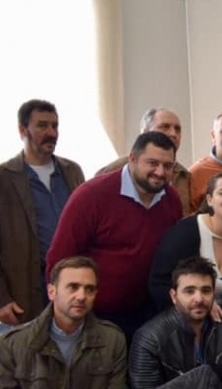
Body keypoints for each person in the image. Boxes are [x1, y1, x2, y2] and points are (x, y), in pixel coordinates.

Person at [46, 132, 182, 341]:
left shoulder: (171, 200)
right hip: (94, 316)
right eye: (152, 163)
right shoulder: (91, 195)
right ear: (133, 159)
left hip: (147, 315)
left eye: (168, 166)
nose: (160, 172)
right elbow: (60, 258)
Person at [0, 256, 127, 389]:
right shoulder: (13, 344)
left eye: (89, 289)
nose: (81, 296)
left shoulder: (112, 340)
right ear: (52, 292)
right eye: (73, 287)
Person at [130, 257, 222, 389]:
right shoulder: (149, 338)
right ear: (173, 296)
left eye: (206, 291)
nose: (199, 299)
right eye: (189, 291)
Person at [0, 100, 84, 326]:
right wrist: (2, 299)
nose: (51, 133)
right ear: (22, 130)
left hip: (70, 288)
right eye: (42, 125)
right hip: (23, 291)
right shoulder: (4, 177)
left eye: (55, 126)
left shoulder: (72, 171)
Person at [150, 171, 222, 338]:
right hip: (176, 328)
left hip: (220, 333)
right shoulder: (186, 233)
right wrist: (203, 306)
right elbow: (159, 284)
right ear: (209, 200)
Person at [97, 107, 192, 215]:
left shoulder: (183, 175)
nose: (173, 134)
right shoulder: (112, 172)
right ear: (145, 132)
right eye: (165, 127)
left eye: (177, 129)